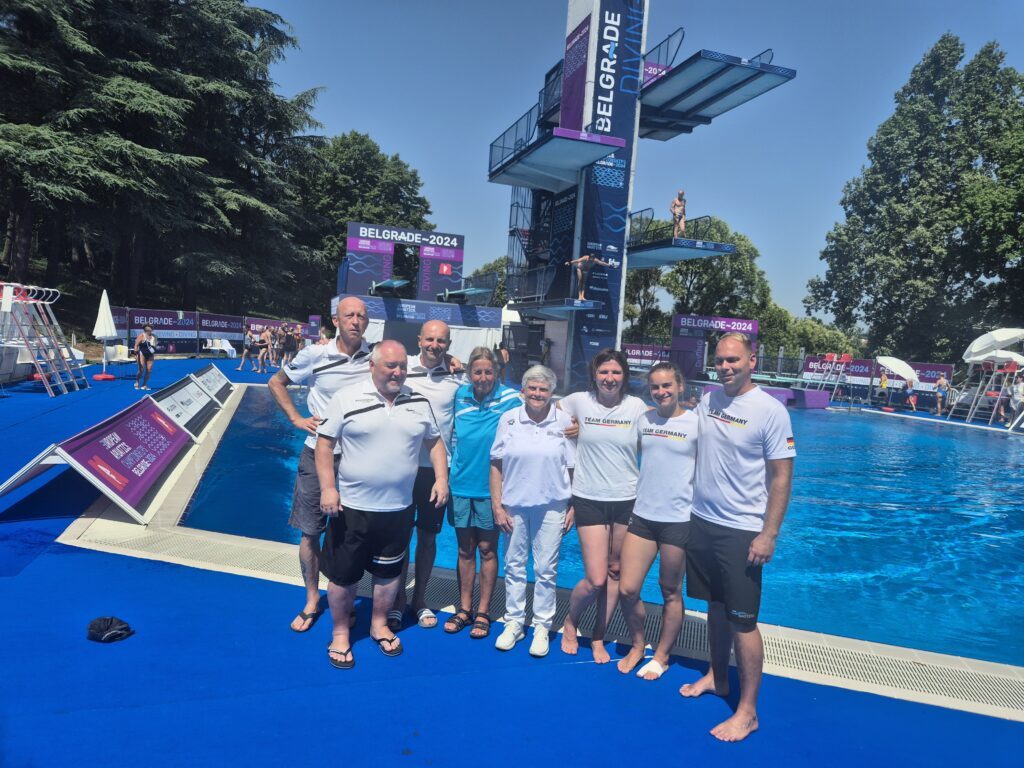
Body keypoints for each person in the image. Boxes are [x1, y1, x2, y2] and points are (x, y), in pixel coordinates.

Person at [680, 332, 795, 743]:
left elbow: (782, 476)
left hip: (742, 529)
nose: (725, 367)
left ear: (752, 359)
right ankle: (717, 675)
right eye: (720, 360)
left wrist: (769, 534)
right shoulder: (710, 400)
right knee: (714, 607)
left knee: (743, 622)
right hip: (702, 521)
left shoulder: (770, 410)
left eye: (733, 360)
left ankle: (748, 712)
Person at [315, 340, 449, 668]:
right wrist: (328, 488)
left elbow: (435, 442)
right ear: (371, 366)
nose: (398, 372)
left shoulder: (419, 400)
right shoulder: (346, 398)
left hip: (398, 508)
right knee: (344, 576)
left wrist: (442, 479)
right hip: (353, 508)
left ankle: (378, 625)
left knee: (389, 574)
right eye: (390, 365)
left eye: (402, 366)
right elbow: (324, 445)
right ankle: (341, 632)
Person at [267, 297, 372, 634]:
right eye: (349, 315)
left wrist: (453, 360)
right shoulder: (315, 354)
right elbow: (276, 382)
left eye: (361, 316)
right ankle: (312, 598)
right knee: (311, 531)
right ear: (336, 320)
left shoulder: (375, 355)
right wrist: (296, 418)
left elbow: (411, 364)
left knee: (350, 535)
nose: (355, 321)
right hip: (317, 454)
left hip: (357, 458)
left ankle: (343, 597)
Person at [558, 349, 649, 663]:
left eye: (616, 373)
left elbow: (667, 423)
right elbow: (542, 411)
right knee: (595, 578)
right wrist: (571, 428)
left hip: (627, 499)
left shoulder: (636, 407)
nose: (610, 379)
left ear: (624, 376)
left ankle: (599, 635)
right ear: (594, 376)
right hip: (589, 497)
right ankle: (571, 621)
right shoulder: (577, 402)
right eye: (604, 373)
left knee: (614, 572)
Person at [617, 362, 699, 680]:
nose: (661, 391)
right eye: (655, 387)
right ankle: (639, 644)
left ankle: (662, 656)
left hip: (678, 519)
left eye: (667, 385)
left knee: (670, 590)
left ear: (679, 387)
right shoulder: (645, 420)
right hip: (643, 516)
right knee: (627, 588)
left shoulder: (696, 424)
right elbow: (618, 449)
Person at [490, 365, 575, 657]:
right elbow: (496, 463)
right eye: (533, 388)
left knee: (545, 569)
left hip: (552, 506)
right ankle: (514, 621)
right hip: (514, 504)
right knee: (513, 566)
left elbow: (573, 467)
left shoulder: (564, 422)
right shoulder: (509, 419)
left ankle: (541, 625)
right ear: (523, 390)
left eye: (544, 389)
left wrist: (573, 505)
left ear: (552, 392)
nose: (538, 394)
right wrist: (497, 504)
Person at [389, 320, 463, 631]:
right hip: (402, 468)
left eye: (441, 341)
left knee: (429, 538)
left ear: (448, 344)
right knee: (400, 538)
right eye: (429, 339)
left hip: (437, 470)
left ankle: (419, 599)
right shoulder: (402, 371)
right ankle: (396, 601)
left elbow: (490, 382)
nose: (434, 345)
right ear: (419, 339)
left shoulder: (457, 377)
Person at [445, 347, 522, 638]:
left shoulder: (511, 399)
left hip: (493, 490)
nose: (483, 377)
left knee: (488, 550)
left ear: (497, 373)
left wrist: (574, 427)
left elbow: (544, 410)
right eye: (477, 371)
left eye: (488, 371)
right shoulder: (459, 396)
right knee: (465, 550)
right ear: (469, 373)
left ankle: (483, 612)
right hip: (461, 485)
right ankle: (464, 609)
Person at [133, 324, 157, 390]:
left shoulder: (154, 337)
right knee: (141, 370)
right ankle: (137, 382)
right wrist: (136, 351)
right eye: (150, 327)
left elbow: (155, 346)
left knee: (149, 370)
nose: (151, 328)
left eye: (151, 327)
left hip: (150, 355)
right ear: (145, 329)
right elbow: (136, 345)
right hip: (142, 354)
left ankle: (144, 385)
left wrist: (154, 349)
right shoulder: (141, 336)